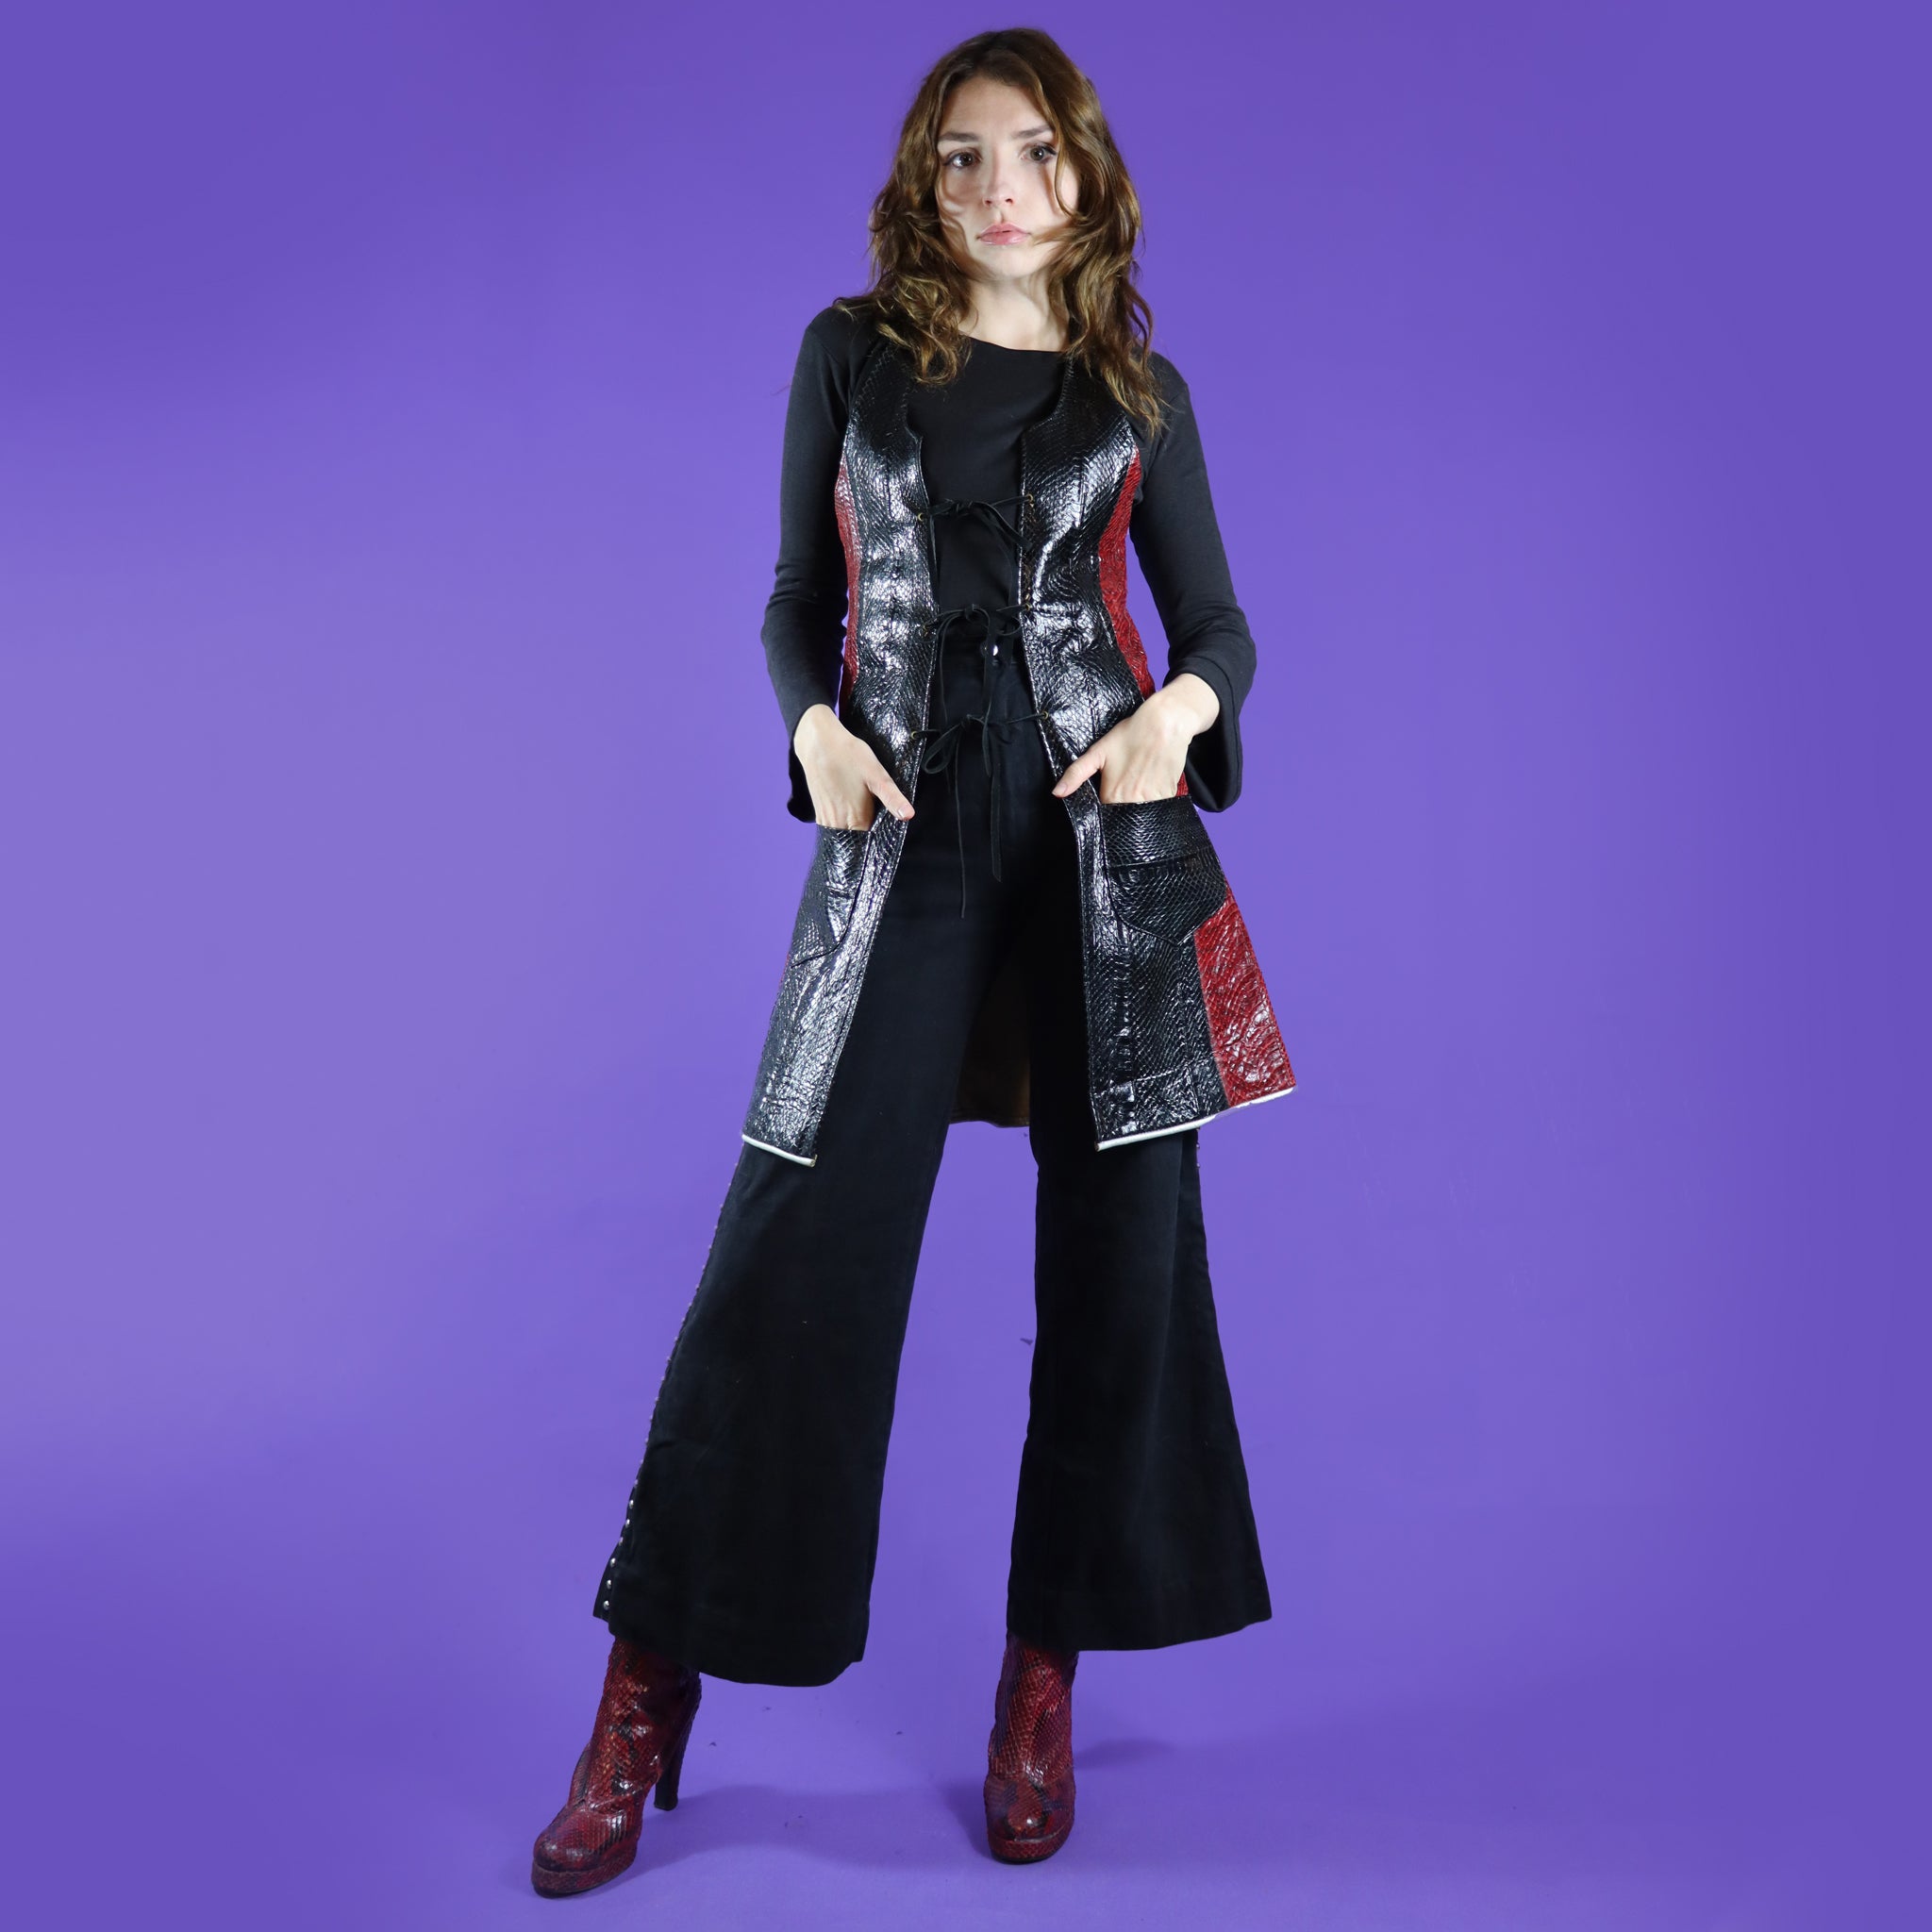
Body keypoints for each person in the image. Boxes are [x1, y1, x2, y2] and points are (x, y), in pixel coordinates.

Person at [529, 26, 1296, 1896]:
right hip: (899, 840)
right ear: (922, 183)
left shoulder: (1141, 393)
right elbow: (795, 599)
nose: (1000, 188)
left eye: (1034, 152)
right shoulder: (849, 355)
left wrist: (1176, 713)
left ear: (1085, 174)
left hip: (1105, 847)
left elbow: (1218, 627)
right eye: (963, 157)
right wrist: (809, 727)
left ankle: (1041, 1675)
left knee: (1121, 1265)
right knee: (796, 1246)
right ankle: (648, 1688)